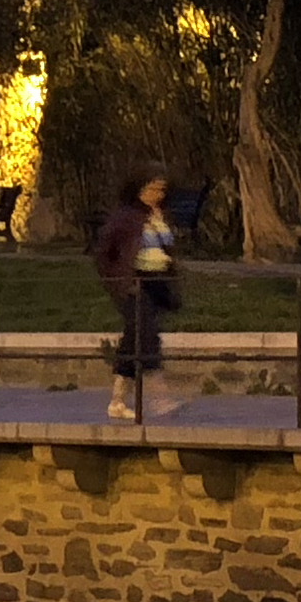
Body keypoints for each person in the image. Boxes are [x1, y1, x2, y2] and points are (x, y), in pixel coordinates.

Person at [91, 170, 179, 422]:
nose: (157, 195)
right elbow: (105, 253)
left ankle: (117, 400)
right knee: (146, 333)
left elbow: (166, 246)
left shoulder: (158, 215)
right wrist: (120, 281)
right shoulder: (126, 217)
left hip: (156, 282)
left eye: (161, 190)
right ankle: (159, 395)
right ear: (139, 189)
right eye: (152, 189)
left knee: (133, 340)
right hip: (134, 283)